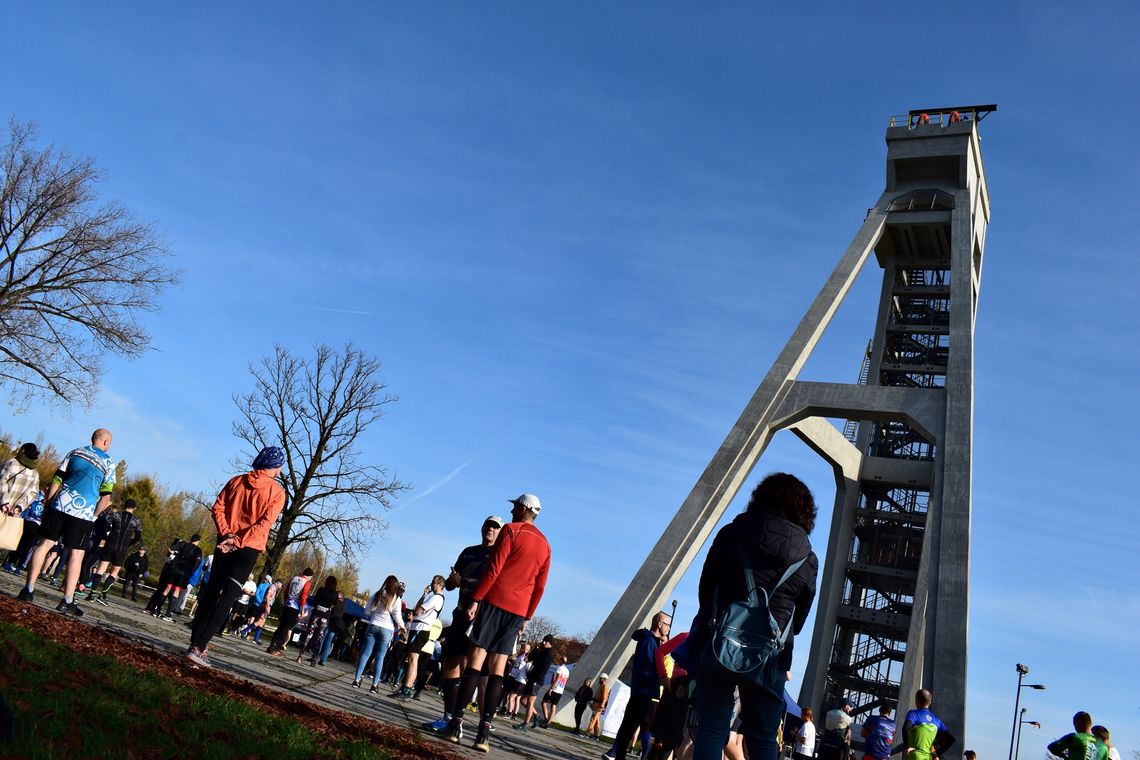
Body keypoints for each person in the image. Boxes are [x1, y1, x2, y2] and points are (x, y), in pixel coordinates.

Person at [688, 473, 820, 760]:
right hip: (771, 657)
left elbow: (705, 589)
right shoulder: (807, 559)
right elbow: (798, 622)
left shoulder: (731, 534)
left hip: (719, 643)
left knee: (711, 728)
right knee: (762, 739)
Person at [443, 492, 551, 753]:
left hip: (494, 600)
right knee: (498, 668)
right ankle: (483, 734)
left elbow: (495, 567)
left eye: (515, 506)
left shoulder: (511, 531)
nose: (512, 510)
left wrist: (476, 600)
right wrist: (527, 616)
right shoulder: (546, 545)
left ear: (524, 508)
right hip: (518, 610)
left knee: (476, 660)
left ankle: (456, 724)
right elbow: (540, 586)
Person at [185, 446, 287, 666]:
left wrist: (226, 534)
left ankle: (195, 643)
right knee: (228, 597)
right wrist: (238, 541)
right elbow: (264, 524)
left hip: (225, 542)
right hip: (247, 548)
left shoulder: (236, 481)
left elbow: (217, 508)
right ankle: (199, 647)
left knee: (211, 592)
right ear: (276, 466)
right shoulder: (277, 493)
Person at [18, 429, 117, 617]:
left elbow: (57, 479)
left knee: (44, 545)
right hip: (82, 513)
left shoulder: (75, 452)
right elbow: (105, 498)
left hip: (60, 505)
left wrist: (49, 501)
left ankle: (28, 589)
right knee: (76, 555)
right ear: (105, 443)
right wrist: (94, 516)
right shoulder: (108, 462)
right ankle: (67, 601)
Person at [423, 514, 504, 733]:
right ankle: (448, 717)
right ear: (482, 528)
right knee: (450, 663)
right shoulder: (468, 552)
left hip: (483, 617)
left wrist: (466, 582)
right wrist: (453, 581)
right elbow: (450, 585)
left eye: (496, 527)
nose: (491, 529)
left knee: (478, 670)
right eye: (488, 525)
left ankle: (483, 724)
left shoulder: (500, 554)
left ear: (501, 532)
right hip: (461, 612)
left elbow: (495, 585)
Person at [609, 611, 672, 760]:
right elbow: (649, 666)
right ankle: (621, 755)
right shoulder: (649, 641)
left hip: (642, 690)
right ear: (660, 624)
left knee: (633, 725)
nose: (669, 628)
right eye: (668, 625)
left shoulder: (649, 640)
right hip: (645, 691)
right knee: (636, 726)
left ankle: (620, 754)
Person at [393, 575, 445, 699]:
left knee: (413, 659)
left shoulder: (436, 598)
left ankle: (407, 688)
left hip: (421, 629)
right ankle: (406, 687)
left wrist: (422, 602)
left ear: (438, 584)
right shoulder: (432, 598)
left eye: (433, 582)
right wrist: (424, 595)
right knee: (412, 659)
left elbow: (417, 610)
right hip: (418, 628)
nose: (431, 584)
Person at [85, 499, 142, 604]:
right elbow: (138, 537)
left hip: (109, 545)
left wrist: (106, 538)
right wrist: (128, 543)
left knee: (100, 570)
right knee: (114, 573)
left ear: (124, 505)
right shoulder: (136, 520)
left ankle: (92, 594)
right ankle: (103, 595)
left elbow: (105, 527)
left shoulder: (116, 515)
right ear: (134, 508)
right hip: (122, 549)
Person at [354, 576, 405, 692]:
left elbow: (366, 610)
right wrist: (402, 626)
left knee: (365, 654)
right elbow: (397, 616)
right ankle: (374, 685)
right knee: (380, 657)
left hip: (373, 625)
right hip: (386, 629)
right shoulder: (396, 599)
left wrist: (373, 615)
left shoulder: (377, 594)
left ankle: (357, 680)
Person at [1, 443, 42, 562]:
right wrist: (19, 507)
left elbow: (1, 480)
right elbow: (33, 494)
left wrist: (5, 501)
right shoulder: (35, 473)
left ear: (22, 451)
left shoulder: (12, 463)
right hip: (14, 511)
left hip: (3, 504)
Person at [146, 534, 202, 619]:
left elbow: (170, 549)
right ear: (198, 541)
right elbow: (198, 561)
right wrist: (193, 569)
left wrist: (177, 554)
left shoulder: (183, 544)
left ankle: (155, 610)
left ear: (191, 539)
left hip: (174, 569)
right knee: (176, 591)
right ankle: (168, 614)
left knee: (167, 589)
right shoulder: (197, 550)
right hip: (184, 572)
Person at [268, 567, 314, 655]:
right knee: (286, 628)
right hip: (295, 607)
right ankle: (276, 648)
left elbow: (286, 591)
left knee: (281, 626)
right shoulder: (307, 582)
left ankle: (271, 646)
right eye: (311, 577)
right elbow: (304, 596)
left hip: (287, 604)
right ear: (309, 576)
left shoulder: (294, 578)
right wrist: (303, 609)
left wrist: (285, 601)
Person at [515, 634, 556, 731]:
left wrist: (536, 680)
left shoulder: (549, 654)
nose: (543, 643)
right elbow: (530, 658)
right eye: (543, 641)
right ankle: (536, 716)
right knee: (523, 701)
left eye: (545, 641)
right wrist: (536, 649)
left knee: (529, 702)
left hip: (537, 680)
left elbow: (543, 669)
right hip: (531, 678)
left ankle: (525, 724)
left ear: (548, 643)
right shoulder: (542, 651)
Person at [296, 575, 339, 664]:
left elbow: (315, 600)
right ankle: (314, 659)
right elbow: (335, 605)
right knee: (319, 638)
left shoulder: (321, 590)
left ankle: (300, 656)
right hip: (325, 617)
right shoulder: (335, 594)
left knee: (309, 635)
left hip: (316, 614)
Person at [898, 689, 948, 760]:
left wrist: (908, 746)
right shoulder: (936, 721)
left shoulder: (913, 714)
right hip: (928, 757)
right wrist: (937, 753)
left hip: (915, 755)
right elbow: (950, 739)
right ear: (930, 702)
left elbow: (905, 728)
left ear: (917, 701)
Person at [242, 579, 281, 644]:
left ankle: (256, 638)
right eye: (281, 585)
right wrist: (267, 606)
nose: (281, 587)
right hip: (265, 605)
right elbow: (268, 597)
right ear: (278, 583)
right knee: (259, 621)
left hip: (266, 605)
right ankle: (244, 631)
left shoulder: (274, 588)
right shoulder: (273, 587)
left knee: (261, 623)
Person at [539, 655, 570, 728]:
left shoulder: (560, 668)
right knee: (554, 706)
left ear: (561, 661)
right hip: (560, 691)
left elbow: (558, 679)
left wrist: (551, 688)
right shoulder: (567, 671)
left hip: (555, 689)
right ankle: (548, 723)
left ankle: (546, 718)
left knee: (543, 702)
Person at [586, 673, 610, 739]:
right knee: (596, 721)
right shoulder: (601, 686)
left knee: (593, 719)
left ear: (604, 679)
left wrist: (601, 706)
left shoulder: (604, 687)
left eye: (601, 678)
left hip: (598, 707)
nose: (599, 679)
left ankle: (587, 733)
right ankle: (596, 735)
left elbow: (605, 698)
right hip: (596, 705)